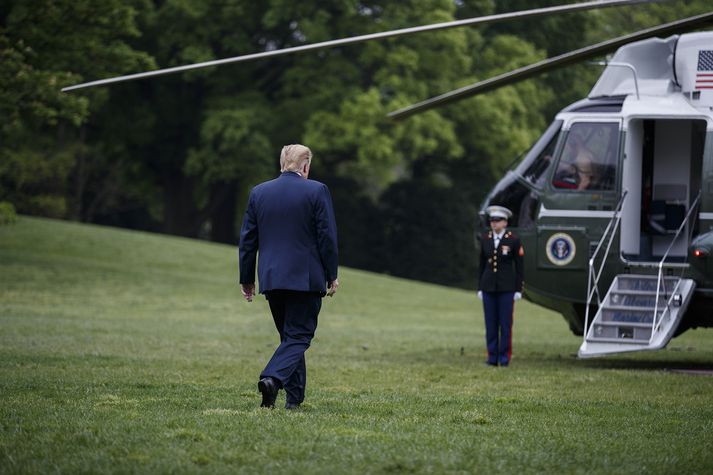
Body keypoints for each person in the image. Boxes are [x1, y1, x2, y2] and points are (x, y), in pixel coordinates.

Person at [239, 144, 339, 409]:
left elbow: (248, 240)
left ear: (282, 163)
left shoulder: (259, 192)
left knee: (290, 338)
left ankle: (294, 400)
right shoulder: (317, 190)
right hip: (305, 279)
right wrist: (332, 274)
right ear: (305, 166)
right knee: (299, 337)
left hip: (272, 279)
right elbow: (326, 236)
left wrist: (247, 278)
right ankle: (272, 378)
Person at [477, 206, 523, 367]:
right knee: (490, 324)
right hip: (488, 287)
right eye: (492, 220)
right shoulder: (485, 239)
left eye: (497, 221)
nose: (494, 224)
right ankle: (492, 357)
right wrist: (480, 287)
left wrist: (518, 289)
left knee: (505, 325)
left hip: (506, 288)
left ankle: (504, 358)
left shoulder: (513, 240)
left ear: (505, 222)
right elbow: (482, 264)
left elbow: (519, 267)